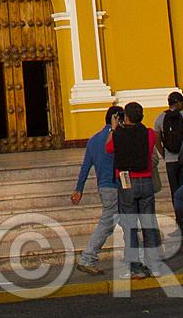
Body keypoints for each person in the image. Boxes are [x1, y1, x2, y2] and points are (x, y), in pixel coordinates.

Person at [106, 100, 161, 278]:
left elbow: (108, 148)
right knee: (148, 223)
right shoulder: (149, 133)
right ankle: (154, 264)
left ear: (126, 117)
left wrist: (114, 128)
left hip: (127, 180)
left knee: (130, 225)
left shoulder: (118, 134)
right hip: (145, 180)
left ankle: (135, 265)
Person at [71, 105, 122, 275]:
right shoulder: (115, 137)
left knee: (128, 221)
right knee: (107, 223)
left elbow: (85, 166)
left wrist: (79, 188)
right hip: (115, 186)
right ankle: (87, 257)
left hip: (104, 186)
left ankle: (138, 257)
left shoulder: (93, 140)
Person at [157, 91, 183, 194]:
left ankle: (177, 204)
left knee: (174, 190)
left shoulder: (160, 118)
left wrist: (164, 155)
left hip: (170, 160)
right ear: (178, 103)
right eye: (182, 102)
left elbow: (157, 140)